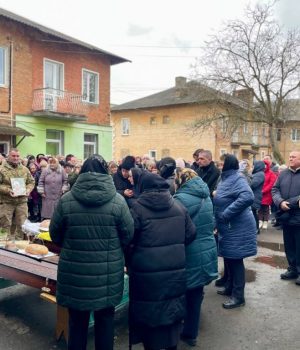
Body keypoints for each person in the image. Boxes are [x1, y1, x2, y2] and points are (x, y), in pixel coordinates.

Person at [49, 154, 134, 350]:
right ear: (106, 172)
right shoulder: (118, 201)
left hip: (75, 274)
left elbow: (55, 235)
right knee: (105, 321)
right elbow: (128, 234)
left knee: (77, 323)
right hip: (107, 275)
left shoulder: (67, 200)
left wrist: (72, 244)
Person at [128, 171, 196, 350]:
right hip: (174, 273)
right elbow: (191, 234)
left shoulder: (136, 209)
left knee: (149, 318)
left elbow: (128, 240)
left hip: (146, 275)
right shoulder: (179, 207)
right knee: (171, 314)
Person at [173, 168, 218, 347]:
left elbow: (178, 228)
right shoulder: (206, 196)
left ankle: (183, 327)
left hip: (190, 250)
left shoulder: (180, 199)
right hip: (207, 247)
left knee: (185, 290)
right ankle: (191, 331)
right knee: (197, 290)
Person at [214, 154, 257, 309]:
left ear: (228, 164)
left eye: (221, 161)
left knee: (236, 260)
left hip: (237, 226)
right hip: (229, 226)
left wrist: (226, 214)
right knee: (229, 258)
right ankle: (230, 288)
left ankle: (239, 297)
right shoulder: (225, 178)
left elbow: (248, 197)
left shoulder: (237, 178)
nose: (219, 164)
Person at [272, 151, 300, 286]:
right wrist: (280, 202)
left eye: (293, 157)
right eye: (289, 157)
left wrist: (289, 203)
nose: (290, 159)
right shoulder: (283, 174)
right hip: (286, 216)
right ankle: (292, 269)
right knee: (289, 246)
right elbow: (275, 190)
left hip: (298, 217)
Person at [0, 148, 34, 240]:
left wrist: (28, 189)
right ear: (8, 156)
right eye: (13, 156)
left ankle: (19, 246)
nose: (16, 158)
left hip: (21, 202)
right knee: (5, 225)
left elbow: (31, 182)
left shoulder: (24, 169)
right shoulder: (1, 169)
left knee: (22, 225)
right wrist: (8, 190)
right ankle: (3, 247)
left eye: (17, 156)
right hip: (6, 202)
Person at [258, 160, 277, 230]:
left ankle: (265, 221)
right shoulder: (260, 173)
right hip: (260, 193)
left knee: (266, 208)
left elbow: (272, 184)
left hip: (267, 194)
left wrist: (264, 190)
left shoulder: (271, 174)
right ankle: (260, 221)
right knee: (259, 208)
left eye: (265, 164)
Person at [250, 160, 265, 234]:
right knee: (253, 213)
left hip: (255, 197)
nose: (253, 167)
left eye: (254, 165)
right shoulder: (258, 173)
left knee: (253, 213)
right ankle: (255, 229)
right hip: (254, 196)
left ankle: (256, 229)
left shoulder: (260, 174)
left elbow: (253, 184)